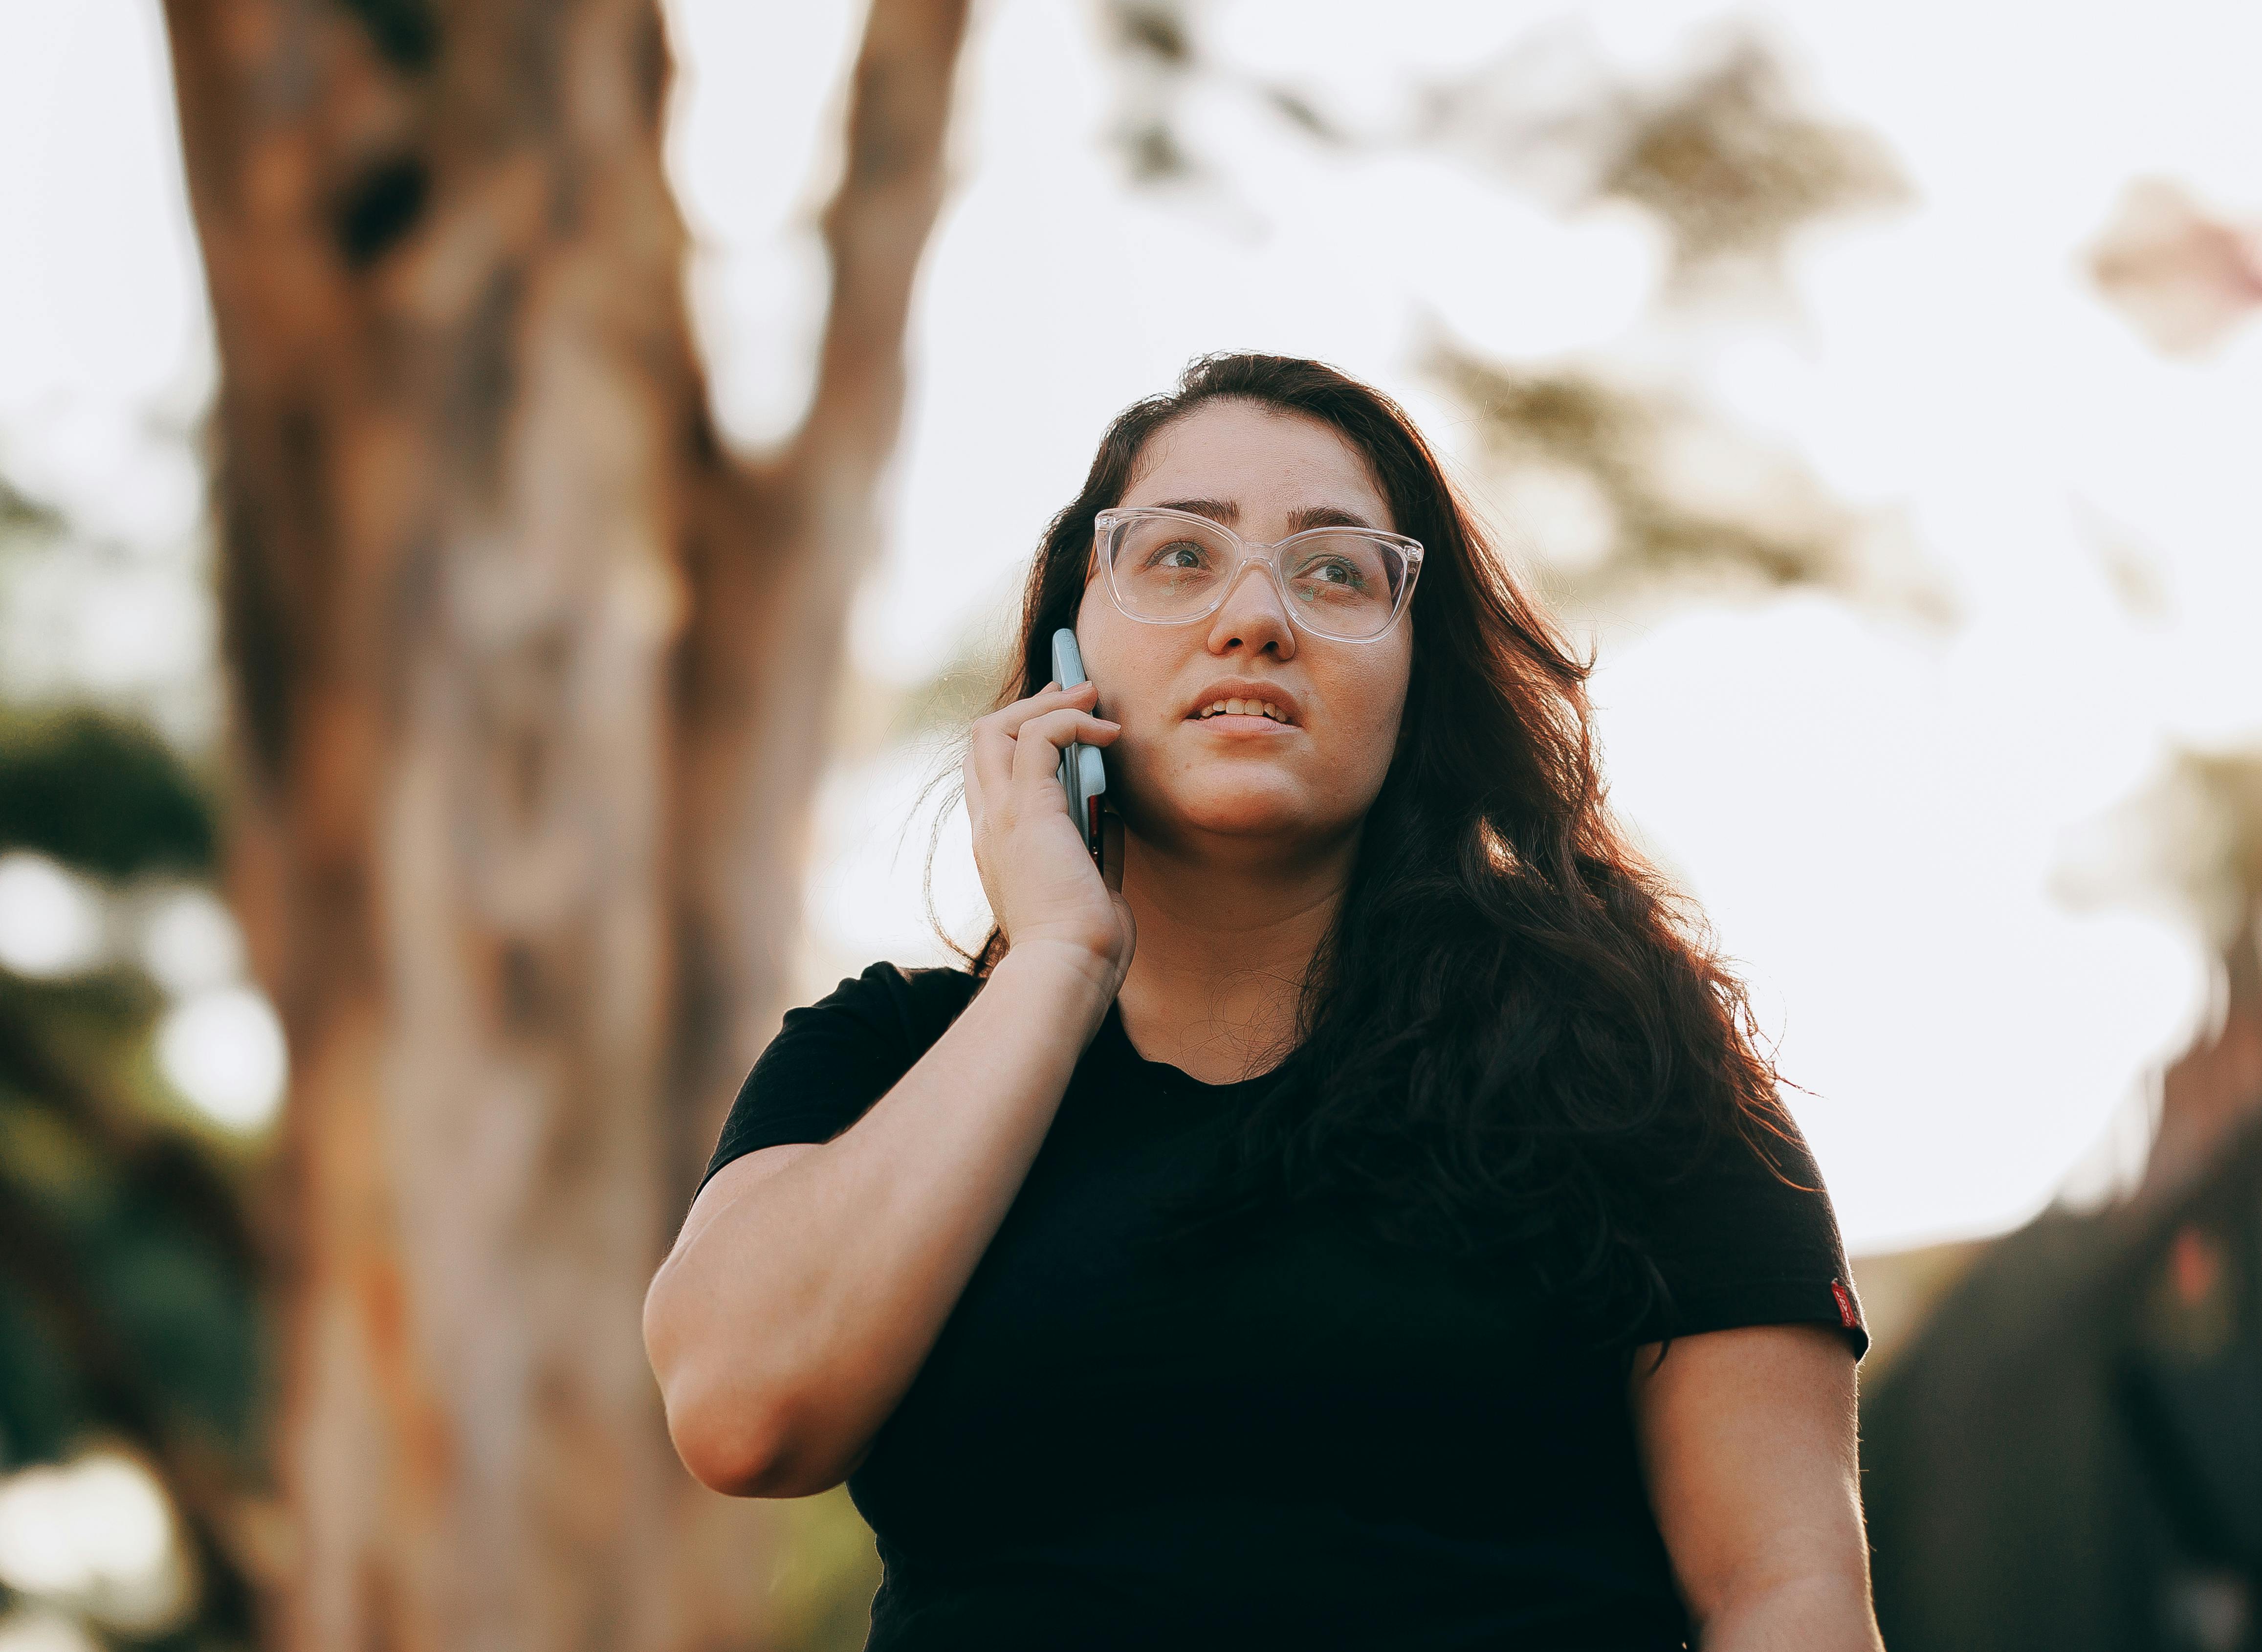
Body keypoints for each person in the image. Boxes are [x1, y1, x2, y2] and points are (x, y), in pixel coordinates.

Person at [642, 353, 1882, 1651]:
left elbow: (1782, 1590)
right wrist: (1062, 961)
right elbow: (743, 1411)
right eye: (1179, 556)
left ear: (1418, 669)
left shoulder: (1622, 1064)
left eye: (1336, 569)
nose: (1254, 616)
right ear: (1072, 649)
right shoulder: (884, 1057)